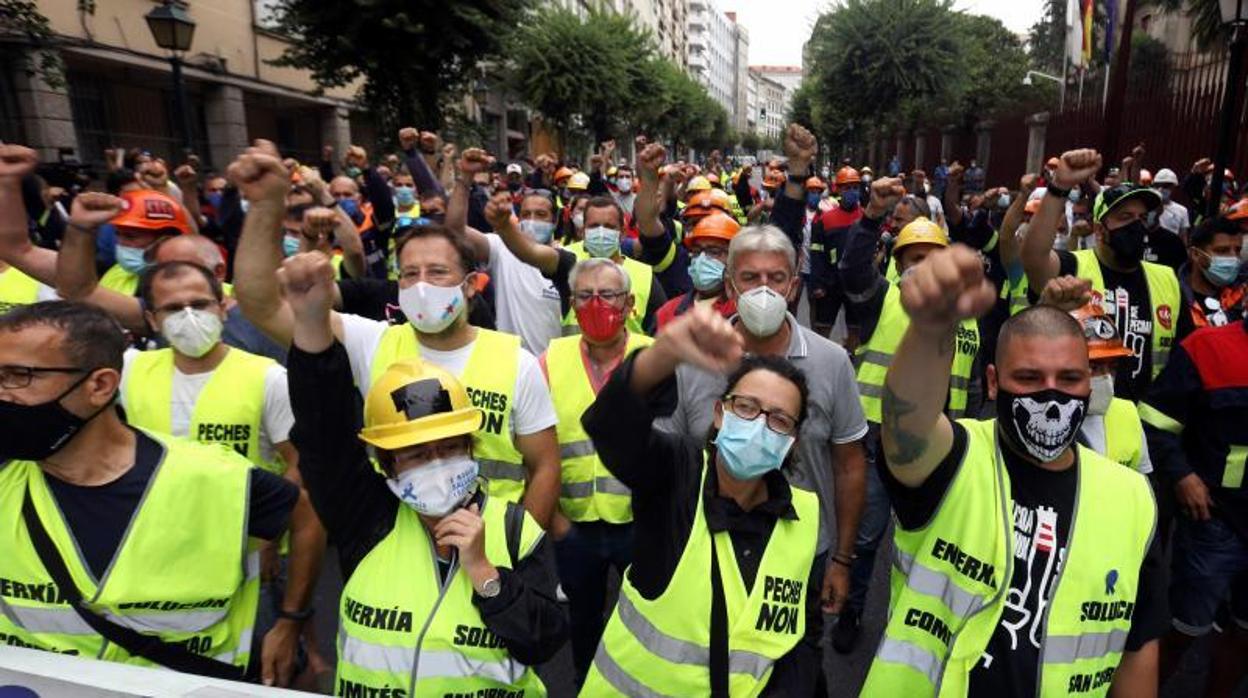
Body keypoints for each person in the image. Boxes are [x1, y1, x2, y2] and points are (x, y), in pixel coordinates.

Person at [862, 246, 1166, 696]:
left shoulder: (1133, 499)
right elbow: (908, 422)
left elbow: (1138, 646)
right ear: (992, 382)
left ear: (1091, 382)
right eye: (1028, 379)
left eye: (1069, 380)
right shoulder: (957, 461)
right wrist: (930, 329)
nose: (1052, 397)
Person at [277, 251, 566, 695]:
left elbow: (544, 639)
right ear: (386, 464)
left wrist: (487, 575)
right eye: (414, 454)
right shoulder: (365, 518)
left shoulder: (514, 530)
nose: (435, 464)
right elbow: (322, 433)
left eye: (449, 448)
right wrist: (313, 322)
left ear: (471, 449)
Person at [230, 146, 560, 528]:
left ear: (470, 286)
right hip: (396, 543)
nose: (421, 285)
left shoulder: (515, 363)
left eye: (437, 272)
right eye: (409, 273)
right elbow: (263, 304)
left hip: (491, 546)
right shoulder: (372, 343)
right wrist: (266, 205)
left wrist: (518, 547)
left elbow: (545, 466)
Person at [0, 301, 319, 686]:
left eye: (18, 376)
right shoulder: (7, 479)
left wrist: (290, 622)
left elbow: (306, 520)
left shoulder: (216, 477)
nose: (3, 394)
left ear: (99, 385)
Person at [579, 306, 824, 695]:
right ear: (719, 413)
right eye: (746, 407)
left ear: (791, 440)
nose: (760, 424)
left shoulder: (806, 515)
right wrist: (665, 354)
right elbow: (611, 427)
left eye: (779, 420)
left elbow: (800, 637)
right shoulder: (676, 474)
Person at [660, 215, 869, 624]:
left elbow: (849, 465)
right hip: (706, 543)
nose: (764, 290)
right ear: (730, 286)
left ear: (794, 286)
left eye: (776, 278)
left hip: (801, 550)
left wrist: (842, 561)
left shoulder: (831, 362)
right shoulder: (689, 359)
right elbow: (668, 461)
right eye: (750, 277)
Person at [539, 258, 654, 686]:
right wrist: (556, 523)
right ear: (572, 303)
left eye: (607, 295)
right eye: (585, 296)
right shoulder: (551, 359)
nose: (596, 304)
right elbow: (531, 446)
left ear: (630, 303)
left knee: (642, 620)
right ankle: (587, 682)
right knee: (583, 620)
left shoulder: (654, 358)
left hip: (639, 527)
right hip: (574, 528)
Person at [1141, 311, 1248, 698]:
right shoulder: (1206, 349)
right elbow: (1153, 421)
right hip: (1214, 523)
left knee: (1244, 633)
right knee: (1183, 630)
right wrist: (1182, 476)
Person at [1022, 149, 1181, 402]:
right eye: (1125, 217)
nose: (1136, 226)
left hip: (1141, 426)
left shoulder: (1168, 280)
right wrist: (1060, 187)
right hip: (1075, 415)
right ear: (1100, 230)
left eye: (1142, 218)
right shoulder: (1073, 266)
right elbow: (1033, 257)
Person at [445, 149, 565, 354]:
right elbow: (455, 231)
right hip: (511, 367)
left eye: (541, 214)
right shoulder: (502, 247)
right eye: (526, 214)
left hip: (554, 370)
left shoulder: (566, 260)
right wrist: (465, 178)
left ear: (554, 221)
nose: (532, 220)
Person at [1039, 276, 1153, 473]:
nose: (1106, 377)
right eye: (1094, 366)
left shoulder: (1127, 413)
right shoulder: (1038, 414)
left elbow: (1143, 485)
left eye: (1112, 366)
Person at [653, 211, 740, 329]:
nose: (702, 259)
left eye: (714, 252)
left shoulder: (744, 311)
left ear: (736, 258)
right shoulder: (668, 312)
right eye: (697, 251)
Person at [100, 188, 194, 295]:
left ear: (165, 241)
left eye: (130, 237)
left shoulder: (192, 286)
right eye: (118, 234)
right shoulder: (117, 273)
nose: (120, 243)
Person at [807, 166, 865, 340]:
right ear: (837, 189)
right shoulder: (824, 219)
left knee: (856, 328)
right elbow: (817, 253)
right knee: (823, 327)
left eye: (855, 188)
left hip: (857, 283)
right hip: (830, 283)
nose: (852, 192)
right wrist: (817, 284)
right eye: (847, 188)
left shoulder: (866, 218)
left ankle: (851, 360)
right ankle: (824, 360)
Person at [1179, 217, 1246, 338]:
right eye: (1222, 251)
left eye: (1237, 250)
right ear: (1195, 254)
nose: (1233, 258)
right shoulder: (1175, 297)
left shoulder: (1243, 296)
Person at [1152, 168, 1191, 240]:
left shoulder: (1182, 210)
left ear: (1174, 187)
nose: (1160, 189)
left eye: (1165, 186)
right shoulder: (1147, 207)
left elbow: (1183, 238)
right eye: (1157, 185)